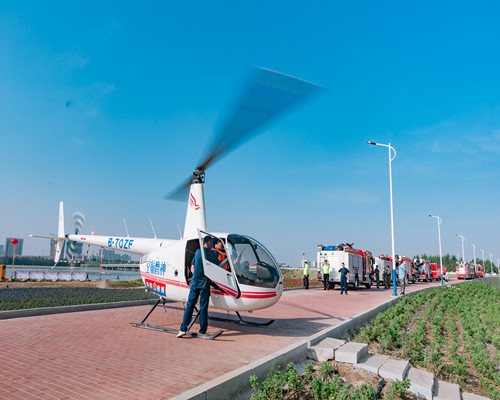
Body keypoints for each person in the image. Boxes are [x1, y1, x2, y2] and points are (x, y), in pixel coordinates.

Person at [177, 236, 218, 338]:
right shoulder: (210, 253)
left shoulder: (198, 251)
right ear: (208, 242)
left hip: (195, 283)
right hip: (204, 284)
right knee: (203, 307)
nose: (213, 245)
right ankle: (202, 330)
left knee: (190, 305)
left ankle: (183, 329)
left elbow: (193, 267)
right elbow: (219, 266)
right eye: (212, 243)